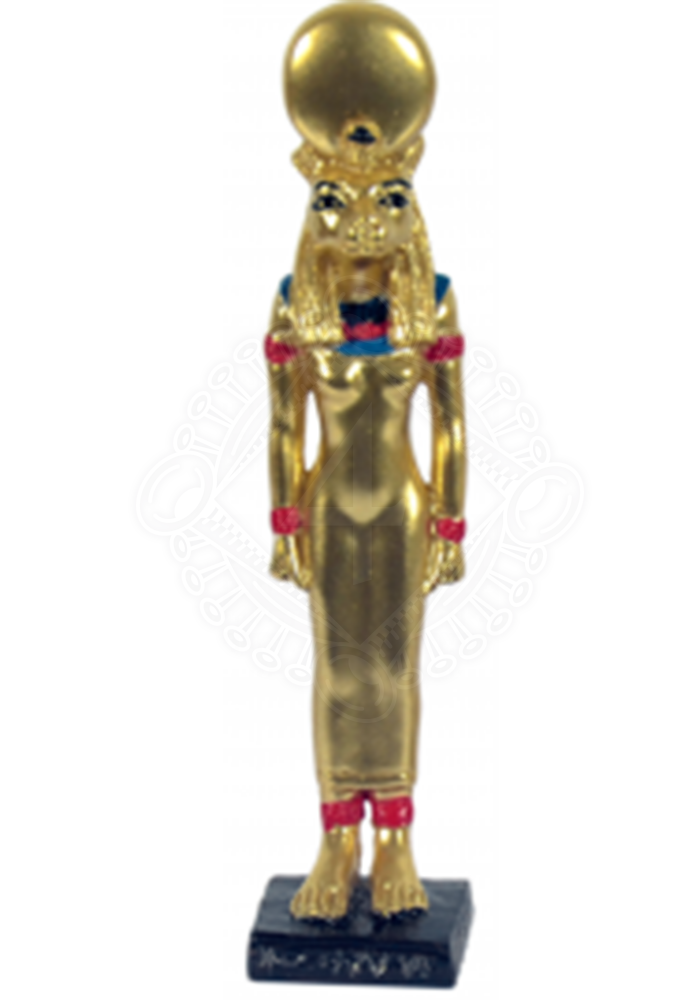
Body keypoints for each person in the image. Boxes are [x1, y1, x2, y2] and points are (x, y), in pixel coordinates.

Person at [265, 2, 467, 921]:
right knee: (337, 671)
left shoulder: (434, 303)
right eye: (335, 206)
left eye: (385, 202)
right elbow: (284, 428)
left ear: (408, 206)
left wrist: (453, 528)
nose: (360, 228)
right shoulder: (292, 307)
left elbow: (451, 425)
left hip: (401, 512)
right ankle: (335, 833)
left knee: (394, 669)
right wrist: (283, 526)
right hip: (328, 514)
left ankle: (397, 838)